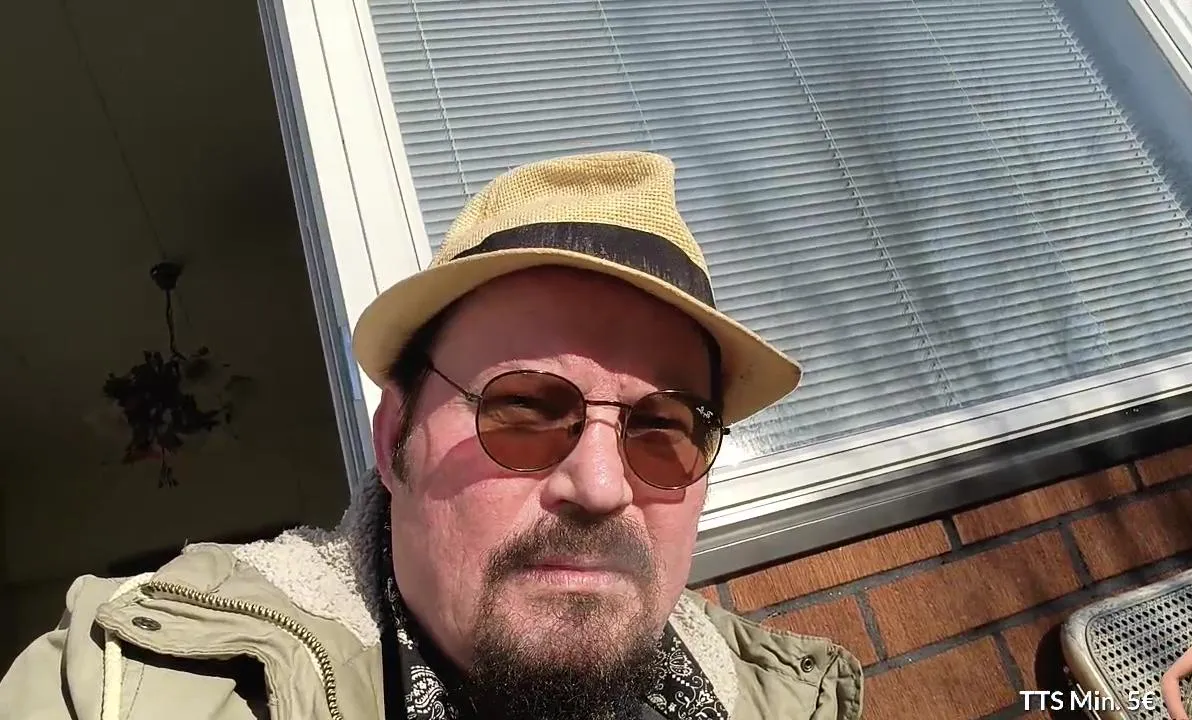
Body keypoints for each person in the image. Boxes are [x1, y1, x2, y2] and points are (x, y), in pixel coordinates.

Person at [0, 151, 862, 720]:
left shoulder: (791, 699)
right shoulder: (128, 683)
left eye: (665, 428)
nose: (601, 486)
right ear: (394, 441)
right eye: (524, 409)